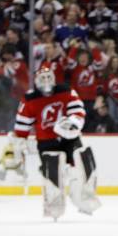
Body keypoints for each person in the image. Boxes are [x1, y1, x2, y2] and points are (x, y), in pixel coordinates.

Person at [12, 68, 100, 219]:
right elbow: (22, 126)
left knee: (82, 164)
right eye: (42, 78)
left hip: (70, 138)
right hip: (47, 141)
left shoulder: (65, 91)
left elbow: (78, 111)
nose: (46, 81)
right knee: (52, 174)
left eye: (48, 77)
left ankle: (85, 199)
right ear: (36, 81)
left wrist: (72, 123)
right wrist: (19, 142)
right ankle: (53, 206)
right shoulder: (30, 99)